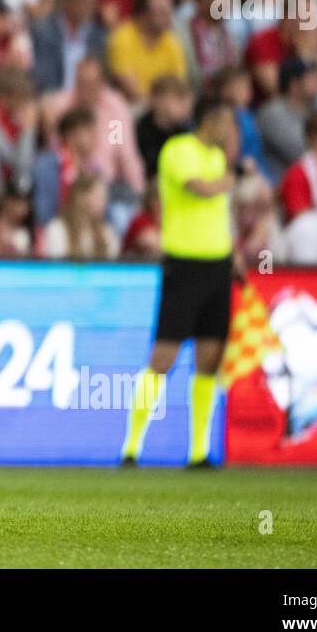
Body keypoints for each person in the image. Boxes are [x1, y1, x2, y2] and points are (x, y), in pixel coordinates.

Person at [121, 95, 243, 469]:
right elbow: (199, 188)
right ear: (210, 120)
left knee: (209, 358)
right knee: (164, 356)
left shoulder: (217, 158)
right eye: (227, 123)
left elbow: (218, 212)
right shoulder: (179, 150)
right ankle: (131, 447)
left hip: (217, 266)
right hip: (185, 266)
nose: (230, 132)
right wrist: (229, 180)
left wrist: (234, 255)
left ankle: (199, 452)